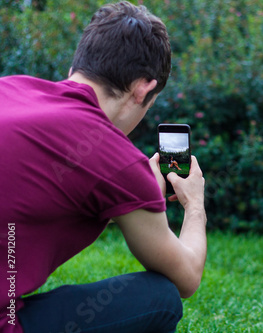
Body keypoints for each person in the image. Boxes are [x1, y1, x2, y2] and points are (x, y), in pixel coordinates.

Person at [0, 2, 206, 333]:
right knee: (161, 297)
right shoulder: (114, 156)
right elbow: (186, 278)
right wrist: (194, 205)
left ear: (75, 68)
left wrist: (135, 195)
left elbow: (41, 194)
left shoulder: (10, 87)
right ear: (144, 88)